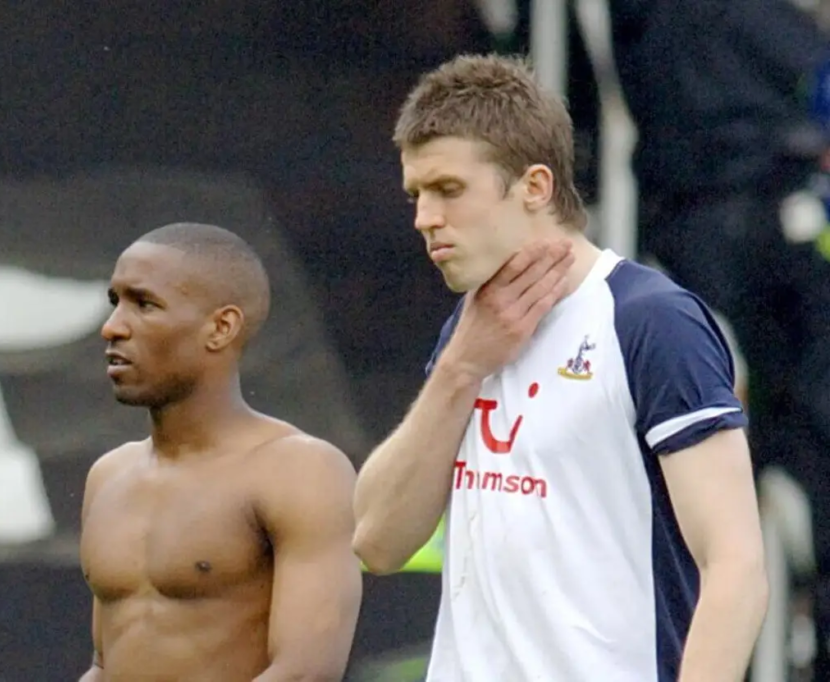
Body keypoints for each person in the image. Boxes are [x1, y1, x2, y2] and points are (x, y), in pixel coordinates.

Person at [352, 54, 768, 681]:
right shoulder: (469, 332)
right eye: (416, 194)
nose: (424, 218)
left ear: (535, 186)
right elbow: (377, 541)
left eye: (448, 190)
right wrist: (460, 367)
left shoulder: (651, 320)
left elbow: (736, 566)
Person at [79, 223, 362, 681]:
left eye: (144, 304)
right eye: (115, 302)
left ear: (220, 327)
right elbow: (105, 667)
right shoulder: (109, 475)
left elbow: (304, 673)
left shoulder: (300, 470)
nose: (112, 327)